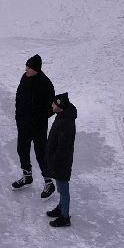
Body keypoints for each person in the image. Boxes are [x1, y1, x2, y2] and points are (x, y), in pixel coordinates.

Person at [11, 54, 57, 197]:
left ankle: (49, 183)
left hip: (38, 126)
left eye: (29, 67)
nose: (26, 69)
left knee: (41, 153)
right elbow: (19, 97)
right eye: (26, 67)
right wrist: (18, 116)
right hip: (23, 124)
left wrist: (38, 118)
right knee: (22, 149)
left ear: (36, 69)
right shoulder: (25, 78)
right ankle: (27, 176)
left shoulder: (46, 84)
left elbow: (51, 108)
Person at [45, 93, 77, 228]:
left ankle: (65, 217)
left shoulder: (66, 123)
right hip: (58, 160)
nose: (52, 105)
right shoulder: (62, 116)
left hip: (61, 162)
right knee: (60, 187)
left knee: (63, 189)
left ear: (60, 106)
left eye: (54, 104)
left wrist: (53, 161)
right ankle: (60, 207)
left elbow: (63, 147)